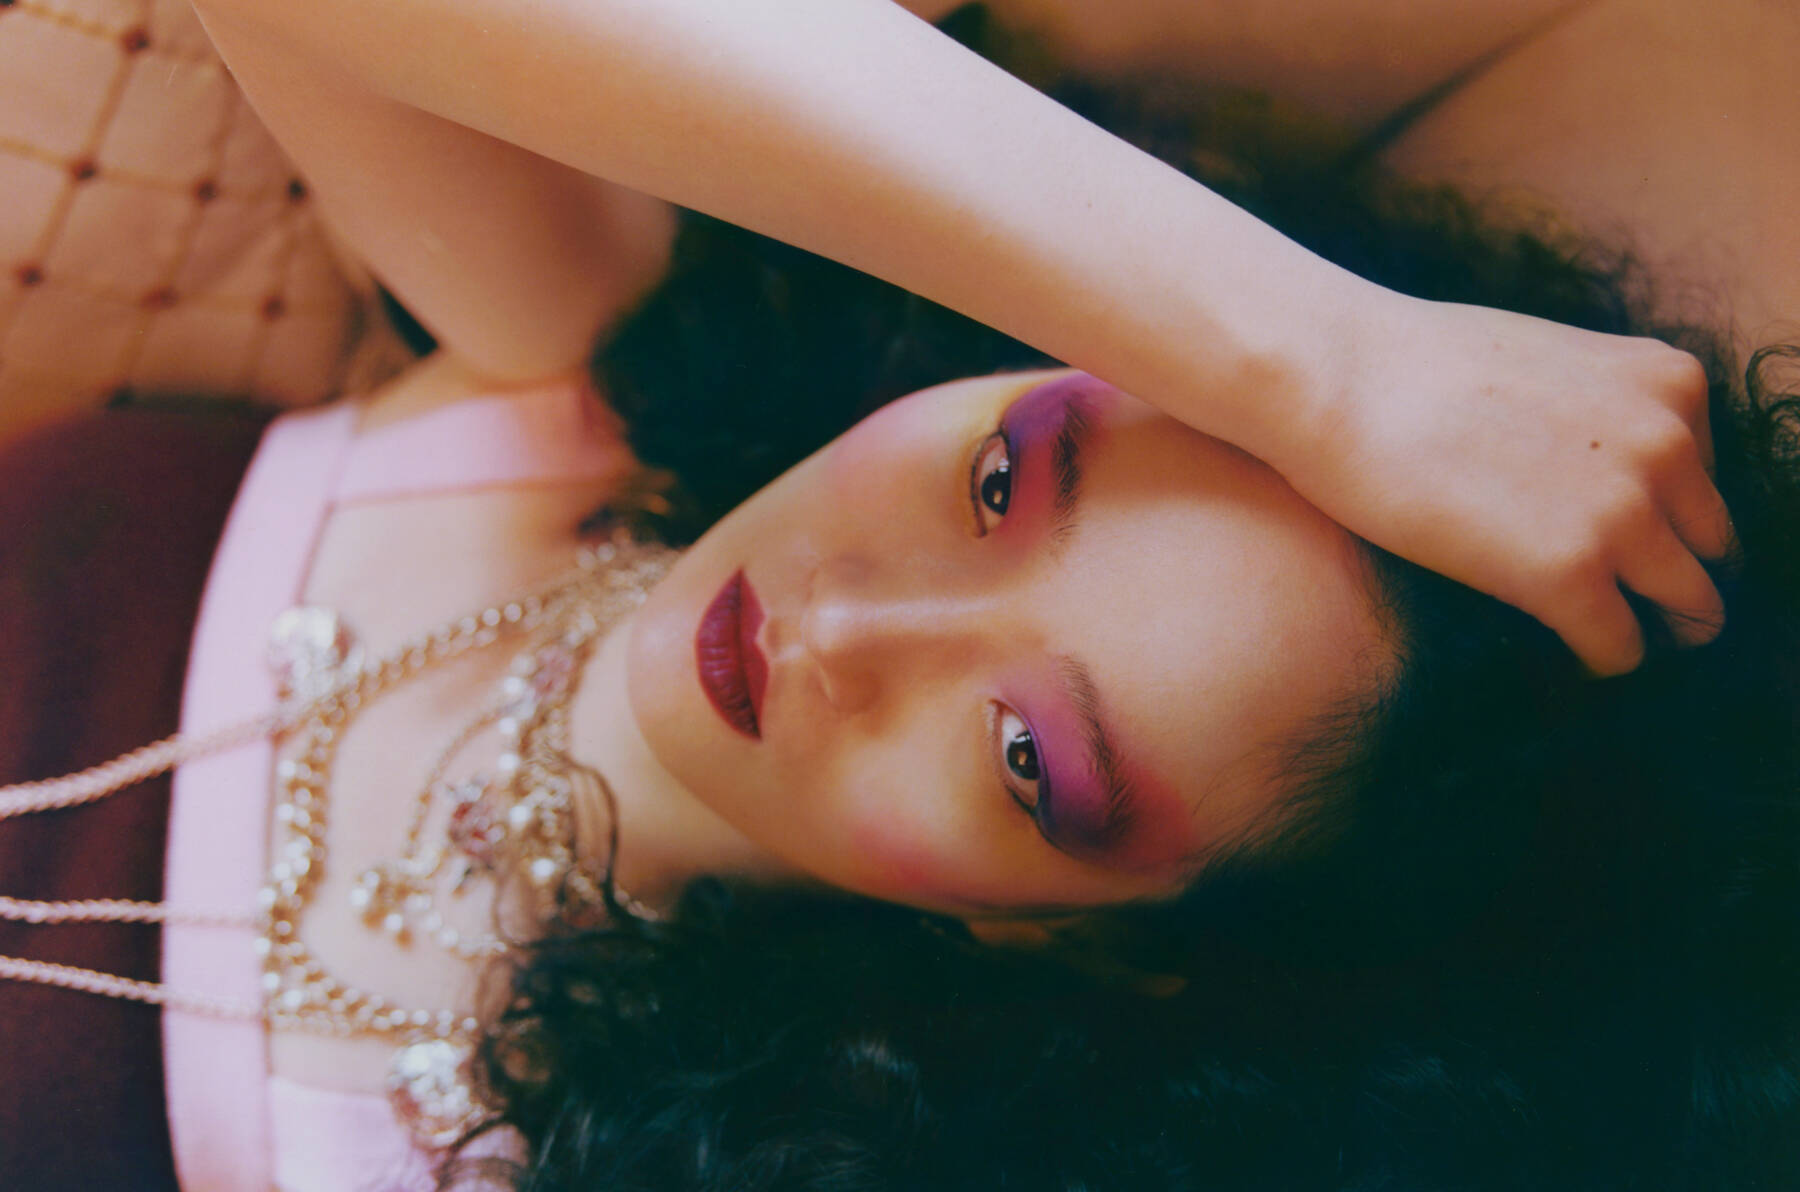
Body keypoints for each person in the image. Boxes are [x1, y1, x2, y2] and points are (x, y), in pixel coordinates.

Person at [0, 2, 1790, 1189]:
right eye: (1004, 479)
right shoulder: (570, 361)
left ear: (1092, 942)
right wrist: (1322, 359)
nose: (846, 634)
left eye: (1026, 760)